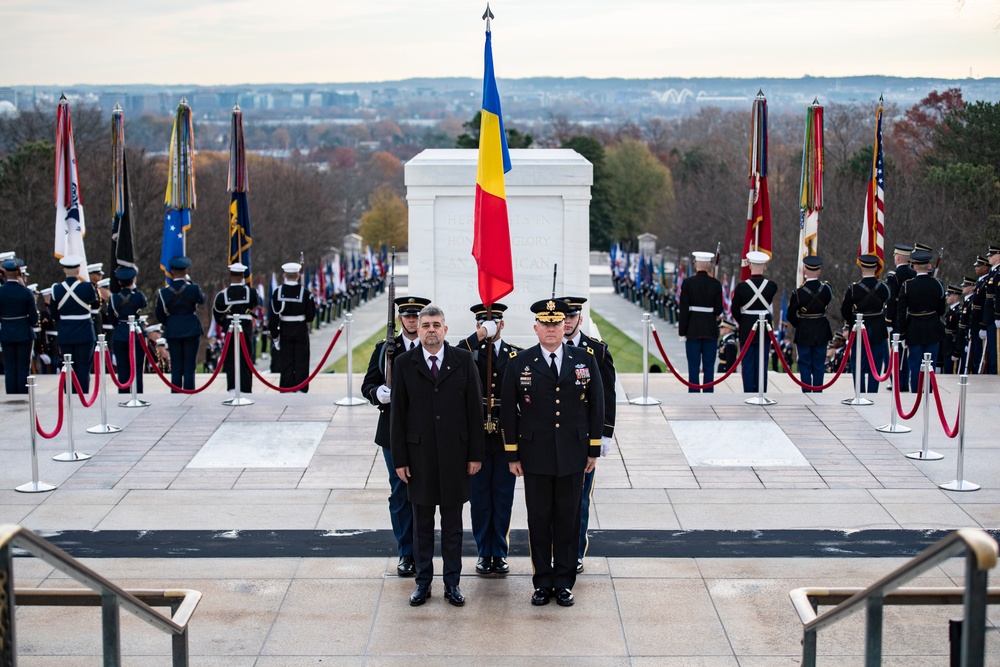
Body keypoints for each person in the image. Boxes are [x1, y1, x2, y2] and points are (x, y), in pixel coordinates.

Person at [501, 299, 604, 608]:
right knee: (540, 519)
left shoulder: (584, 360)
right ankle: (542, 581)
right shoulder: (520, 362)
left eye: (556, 323)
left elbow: (596, 405)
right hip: (535, 455)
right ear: (536, 328)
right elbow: (509, 411)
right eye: (544, 324)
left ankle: (564, 582)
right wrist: (512, 454)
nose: (550, 329)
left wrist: (593, 449)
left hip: (573, 453)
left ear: (565, 327)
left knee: (568, 520)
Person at [389, 305, 484, 608]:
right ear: (417, 329)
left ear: (446, 329)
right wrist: (400, 459)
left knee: (454, 527)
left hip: (456, 456)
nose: (430, 329)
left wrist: (475, 454)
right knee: (422, 527)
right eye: (425, 324)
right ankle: (423, 583)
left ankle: (452, 584)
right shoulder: (405, 363)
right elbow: (398, 417)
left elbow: (474, 411)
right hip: (419, 458)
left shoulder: (464, 360)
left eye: (436, 324)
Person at [361, 295, 429, 578]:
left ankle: (423, 548)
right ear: (400, 318)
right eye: (407, 316)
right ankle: (406, 553)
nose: (412, 321)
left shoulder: (432, 346)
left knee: (423, 493)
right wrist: (379, 394)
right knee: (400, 492)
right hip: (393, 433)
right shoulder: (384, 349)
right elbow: (368, 385)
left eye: (416, 316)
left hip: (426, 433)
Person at [457, 302, 519, 577]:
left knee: (503, 497)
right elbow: (454, 354)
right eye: (482, 324)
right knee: (480, 498)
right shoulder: (468, 353)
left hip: (505, 436)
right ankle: (484, 552)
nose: (489, 327)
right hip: (477, 436)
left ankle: (500, 552)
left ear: (502, 324)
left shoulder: (516, 355)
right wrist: (481, 336)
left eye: (493, 323)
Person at [557, 295, 615, 574]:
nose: (567, 322)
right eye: (563, 317)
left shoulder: (597, 352)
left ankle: (575, 552)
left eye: (571, 317)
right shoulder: (548, 347)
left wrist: (604, 435)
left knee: (579, 498)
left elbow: (607, 398)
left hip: (583, 439)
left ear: (580, 318)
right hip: (555, 438)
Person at [897, 249, 946, 392]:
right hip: (932, 329)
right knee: (930, 364)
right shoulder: (938, 284)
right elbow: (941, 311)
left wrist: (902, 334)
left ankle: (916, 393)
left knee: (915, 363)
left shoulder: (907, 285)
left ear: (914, 267)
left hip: (914, 329)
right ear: (929, 266)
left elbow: (901, 313)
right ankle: (928, 393)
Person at [840, 254, 890, 393]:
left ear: (862, 268)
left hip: (859, 329)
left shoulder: (854, 289)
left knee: (858, 363)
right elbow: (887, 302)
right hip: (878, 328)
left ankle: (859, 392)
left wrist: (853, 322)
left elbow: (845, 310)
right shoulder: (884, 287)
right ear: (876, 269)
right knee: (876, 362)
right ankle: (873, 392)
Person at [155, 256, 206, 391]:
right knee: (189, 366)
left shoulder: (164, 292)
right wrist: (190, 282)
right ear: (186, 271)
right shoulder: (193, 288)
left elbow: (159, 314)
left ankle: (176, 394)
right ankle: (189, 393)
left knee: (176, 366)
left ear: (171, 271)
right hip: (191, 328)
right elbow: (202, 299)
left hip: (173, 329)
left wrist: (170, 322)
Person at [678, 251, 724, 393]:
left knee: (693, 366)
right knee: (709, 366)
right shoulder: (716, 284)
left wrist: (682, 332)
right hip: (710, 330)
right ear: (709, 265)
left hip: (692, 330)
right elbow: (718, 310)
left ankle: (694, 393)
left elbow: (684, 310)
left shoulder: (687, 283)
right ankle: (708, 393)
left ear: (696, 264)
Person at [731, 251, 777, 393]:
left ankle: (749, 392)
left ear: (750, 266)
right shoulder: (772, 286)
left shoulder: (741, 287)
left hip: (747, 328)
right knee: (762, 363)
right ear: (764, 266)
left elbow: (734, 310)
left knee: (748, 364)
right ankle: (761, 391)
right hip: (764, 327)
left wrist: (744, 321)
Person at [51, 255, 98, 394]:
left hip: (66, 333)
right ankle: (82, 396)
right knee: (83, 367)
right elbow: (95, 304)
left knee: (68, 366)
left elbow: (54, 314)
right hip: (84, 332)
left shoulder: (56, 289)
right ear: (78, 270)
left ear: (64, 270)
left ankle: (69, 396)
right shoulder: (87, 287)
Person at [786, 256, 833, 393]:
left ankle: (806, 392)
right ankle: (818, 392)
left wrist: (800, 324)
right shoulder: (826, 289)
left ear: (805, 271)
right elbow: (828, 302)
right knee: (819, 363)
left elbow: (790, 315)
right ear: (819, 272)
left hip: (804, 330)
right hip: (821, 328)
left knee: (805, 363)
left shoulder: (798, 292)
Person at [269, 262, 316, 392]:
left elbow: (273, 318)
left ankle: (286, 388)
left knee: (286, 362)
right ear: (298, 275)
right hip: (300, 329)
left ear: (284, 275)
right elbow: (311, 316)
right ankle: (301, 389)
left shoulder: (277, 292)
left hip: (285, 330)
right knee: (301, 360)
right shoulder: (305, 293)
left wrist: (275, 336)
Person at [213, 262, 259, 394]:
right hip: (245, 328)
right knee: (246, 359)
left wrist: (226, 324)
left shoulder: (222, 295)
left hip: (229, 328)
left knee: (230, 359)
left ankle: (232, 388)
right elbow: (255, 303)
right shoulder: (251, 293)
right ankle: (245, 388)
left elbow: (217, 315)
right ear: (243, 276)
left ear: (230, 275)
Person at [0, 258, 38, 394]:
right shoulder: (25, 292)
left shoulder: (1, 291)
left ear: (4, 273)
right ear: (18, 274)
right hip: (23, 333)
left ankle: (11, 395)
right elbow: (34, 319)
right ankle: (23, 394)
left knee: (9, 368)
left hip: (6, 332)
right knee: (23, 367)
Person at [108, 266, 147, 393]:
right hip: (136, 333)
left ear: (119, 282)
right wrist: (133, 289)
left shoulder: (113, 298)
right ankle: (138, 392)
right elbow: (144, 304)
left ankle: (123, 394)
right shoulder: (139, 296)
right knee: (137, 368)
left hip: (120, 333)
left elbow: (111, 318)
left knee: (123, 368)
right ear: (133, 280)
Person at [969, 256, 990, 372]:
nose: (976, 268)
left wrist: (983, 325)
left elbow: (984, 306)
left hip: (981, 322)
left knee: (981, 354)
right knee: (976, 354)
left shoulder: (986, 283)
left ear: (986, 267)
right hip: (975, 324)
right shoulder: (980, 282)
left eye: (979, 266)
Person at [982, 244, 1000, 375]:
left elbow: (998, 296)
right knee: (992, 350)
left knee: (995, 350)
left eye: (992, 255)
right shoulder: (993, 273)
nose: (989, 257)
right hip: (990, 316)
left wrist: (998, 315)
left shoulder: (998, 273)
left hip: (995, 315)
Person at [941, 285, 964, 374]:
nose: (947, 298)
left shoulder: (958, 311)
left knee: (952, 373)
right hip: (947, 346)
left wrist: (956, 351)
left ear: (955, 296)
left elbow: (959, 332)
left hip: (952, 347)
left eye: (949, 295)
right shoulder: (951, 311)